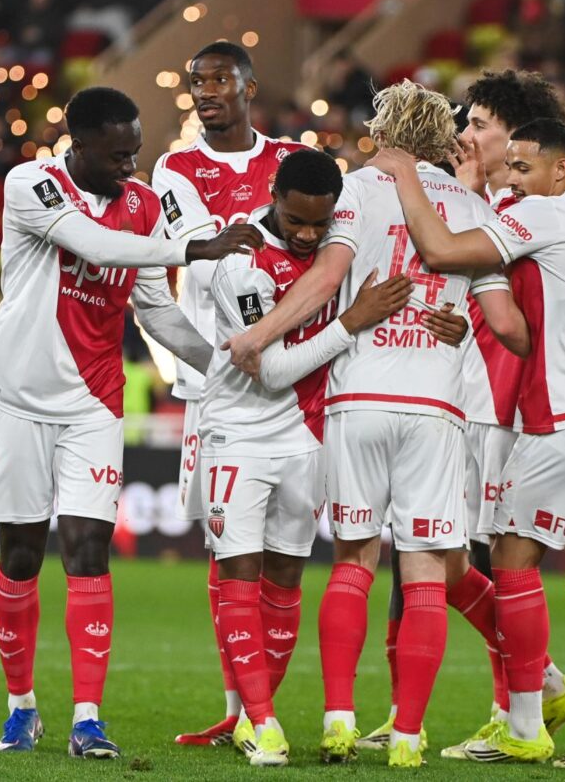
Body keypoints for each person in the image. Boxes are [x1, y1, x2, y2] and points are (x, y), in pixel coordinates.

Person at [224, 80, 529, 768]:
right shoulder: (472, 205)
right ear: (443, 136)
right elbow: (506, 324)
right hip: (436, 406)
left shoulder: (356, 191)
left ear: (385, 129)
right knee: (424, 574)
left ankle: (338, 719)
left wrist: (260, 334)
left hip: (358, 396)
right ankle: (409, 736)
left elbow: (324, 280)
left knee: (354, 562)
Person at [0, 87, 262, 759]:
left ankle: (88, 719)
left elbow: (154, 311)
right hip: (17, 399)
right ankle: (21, 707)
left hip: (93, 403)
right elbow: (93, 244)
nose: (131, 166)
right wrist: (195, 249)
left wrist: (223, 365)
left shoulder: (145, 206)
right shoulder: (31, 184)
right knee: (20, 555)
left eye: (136, 152)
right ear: (79, 143)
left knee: (88, 549)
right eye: (118, 154)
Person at [364, 118, 565, 770]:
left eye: (524, 167)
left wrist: (407, 173)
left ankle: (522, 723)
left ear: (560, 169)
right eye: (509, 167)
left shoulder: (541, 215)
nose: (513, 179)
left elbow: (442, 249)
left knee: (512, 561)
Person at [199, 148, 467, 766]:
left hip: (309, 435)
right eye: (296, 220)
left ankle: (253, 715)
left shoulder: (338, 247)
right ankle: (263, 722)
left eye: (320, 223)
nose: (307, 234)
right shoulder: (241, 263)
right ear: (274, 196)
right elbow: (271, 371)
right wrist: (351, 321)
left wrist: (460, 325)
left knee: (286, 579)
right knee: (239, 572)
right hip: (240, 433)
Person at [149, 42, 293, 749]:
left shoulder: (293, 158)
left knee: (285, 551)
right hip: (216, 386)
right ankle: (238, 707)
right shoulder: (175, 168)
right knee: (223, 545)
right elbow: (205, 258)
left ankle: (263, 708)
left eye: (218, 79)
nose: (205, 91)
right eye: (196, 81)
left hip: (294, 379)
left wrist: (254, 242)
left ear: (248, 86)